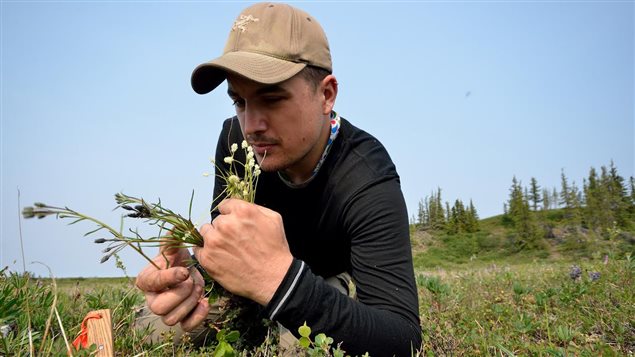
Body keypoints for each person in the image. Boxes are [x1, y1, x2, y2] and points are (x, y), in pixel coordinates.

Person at [134, 2, 421, 355]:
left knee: (299, 346)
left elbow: (403, 337)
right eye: (239, 102)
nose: (251, 126)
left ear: (326, 94)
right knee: (153, 327)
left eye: (271, 99)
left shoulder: (366, 176)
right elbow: (233, 251)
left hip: (326, 291)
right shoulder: (235, 142)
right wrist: (199, 275)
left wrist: (279, 281)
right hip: (261, 291)